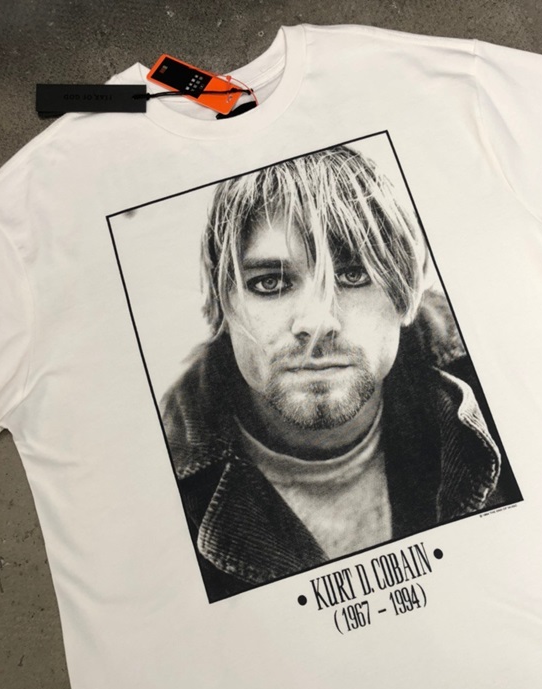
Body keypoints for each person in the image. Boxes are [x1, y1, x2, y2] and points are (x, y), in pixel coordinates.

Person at [161, 144, 513, 601]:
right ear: (223, 304)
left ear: (404, 290)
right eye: (271, 282)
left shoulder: (499, 372)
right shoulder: (159, 479)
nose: (316, 322)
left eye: (352, 276)